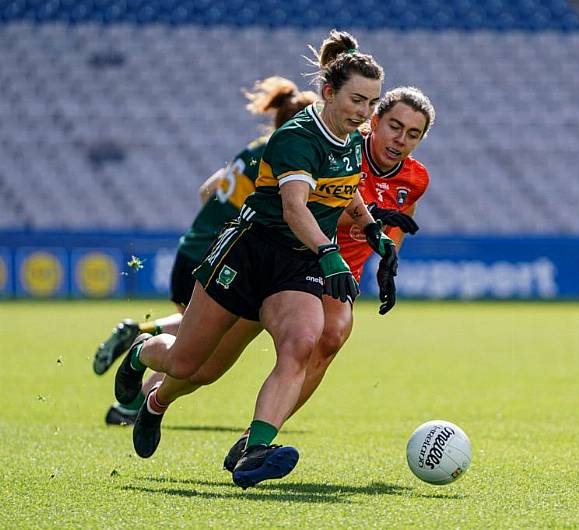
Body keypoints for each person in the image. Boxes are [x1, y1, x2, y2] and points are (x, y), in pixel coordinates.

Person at [113, 30, 391, 488]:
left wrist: (371, 224)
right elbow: (294, 207)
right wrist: (330, 254)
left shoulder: (353, 141)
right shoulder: (295, 137)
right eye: (356, 100)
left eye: (370, 103)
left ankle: (256, 449)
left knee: (302, 342)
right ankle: (143, 354)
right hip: (249, 252)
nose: (364, 112)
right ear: (328, 92)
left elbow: (344, 188)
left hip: (296, 264)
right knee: (189, 365)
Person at [220, 85, 435, 472]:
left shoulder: (415, 178)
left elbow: (400, 222)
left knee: (331, 335)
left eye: (413, 134)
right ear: (374, 122)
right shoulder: (342, 149)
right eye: (394, 127)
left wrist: (388, 261)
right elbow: (313, 213)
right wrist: (372, 219)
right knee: (204, 364)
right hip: (285, 257)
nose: (400, 140)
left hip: (336, 274)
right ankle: (154, 389)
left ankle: (258, 439)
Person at [93, 77, 318, 426]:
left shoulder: (255, 147)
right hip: (223, 254)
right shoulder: (286, 155)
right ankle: (136, 392)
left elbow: (206, 190)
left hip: (194, 244)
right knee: (198, 343)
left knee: (198, 335)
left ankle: (141, 352)